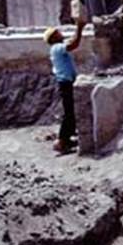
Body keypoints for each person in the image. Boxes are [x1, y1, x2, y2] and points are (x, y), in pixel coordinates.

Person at [44, 18, 86, 155]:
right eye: (58, 32)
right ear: (54, 38)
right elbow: (74, 44)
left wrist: (78, 27)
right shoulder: (57, 48)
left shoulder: (57, 48)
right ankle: (61, 141)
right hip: (66, 83)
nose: (61, 33)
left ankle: (67, 139)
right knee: (68, 113)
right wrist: (80, 27)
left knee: (71, 111)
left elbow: (72, 40)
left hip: (67, 82)